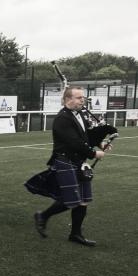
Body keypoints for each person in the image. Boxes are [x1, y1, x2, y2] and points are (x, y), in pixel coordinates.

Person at [28, 86, 115, 246]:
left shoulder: (80, 113)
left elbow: (85, 136)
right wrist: (94, 154)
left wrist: (100, 143)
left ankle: (76, 234)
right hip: (65, 160)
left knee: (83, 200)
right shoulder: (62, 119)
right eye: (79, 97)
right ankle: (43, 216)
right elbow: (74, 142)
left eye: (83, 97)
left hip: (78, 162)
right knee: (71, 200)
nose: (83, 100)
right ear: (69, 99)